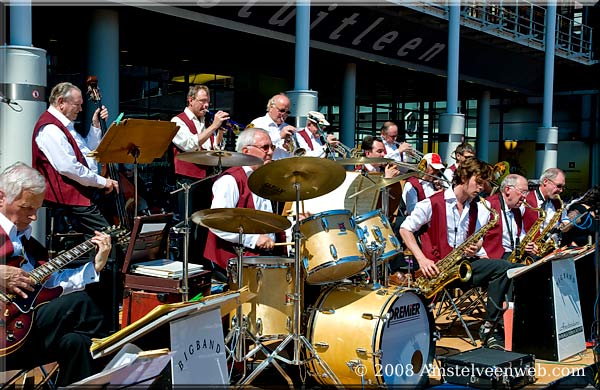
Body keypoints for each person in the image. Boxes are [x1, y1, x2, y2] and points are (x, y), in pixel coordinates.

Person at [0, 162, 112, 386]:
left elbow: (52, 284)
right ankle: (117, 360)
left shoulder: (31, 246)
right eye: (26, 208)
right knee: (82, 304)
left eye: (37, 209)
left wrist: (94, 267)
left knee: (78, 343)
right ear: (1, 198)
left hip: (27, 331)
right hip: (6, 332)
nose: (33, 217)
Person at [399, 157, 523, 350]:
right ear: (464, 177)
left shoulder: (478, 207)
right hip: (436, 270)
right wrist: (422, 259)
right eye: (478, 182)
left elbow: (479, 237)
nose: (481, 188)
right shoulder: (433, 202)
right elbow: (405, 229)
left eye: (484, 184)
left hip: (463, 267)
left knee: (506, 268)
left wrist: (476, 245)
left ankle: (490, 327)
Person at [32, 81, 117, 237]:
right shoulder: (51, 128)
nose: (81, 109)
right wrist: (103, 182)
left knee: (107, 235)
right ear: (61, 102)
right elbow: (69, 168)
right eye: (77, 104)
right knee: (106, 238)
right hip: (69, 198)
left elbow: (87, 155)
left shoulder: (65, 126)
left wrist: (96, 125)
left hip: (80, 194)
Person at [203, 128, 278, 281]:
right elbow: (217, 223)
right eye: (265, 147)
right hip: (232, 262)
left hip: (259, 258)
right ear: (246, 151)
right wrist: (253, 239)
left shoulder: (264, 179)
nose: (270, 152)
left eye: (272, 147)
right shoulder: (229, 180)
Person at [170, 85, 229, 264]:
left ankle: (201, 262)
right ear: (190, 100)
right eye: (202, 101)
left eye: (208, 102)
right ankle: (185, 262)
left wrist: (219, 133)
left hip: (206, 178)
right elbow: (190, 146)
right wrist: (213, 127)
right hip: (187, 179)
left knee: (203, 223)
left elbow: (212, 150)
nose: (206, 106)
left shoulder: (206, 122)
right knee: (187, 223)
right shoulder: (177, 121)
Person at [482, 174, 538, 260]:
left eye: (526, 192)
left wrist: (527, 244)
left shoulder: (517, 209)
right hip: (494, 258)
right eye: (522, 192)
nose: (525, 197)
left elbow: (520, 234)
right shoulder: (488, 205)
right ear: (507, 190)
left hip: (512, 255)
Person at [250, 93, 296, 160]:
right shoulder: (258, 123)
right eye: (282, 110)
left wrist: (289, 148)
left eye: (287, 112)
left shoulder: (287, 127)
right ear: (271, 107)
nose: (284, 114)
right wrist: (279, 136)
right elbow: (255, 147)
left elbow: (295, 153)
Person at [523, 167, 565, 233]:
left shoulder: (558, 202)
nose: (561, 190)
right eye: (558, 186)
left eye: (563, 187)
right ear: (545, 181)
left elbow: (565, 219)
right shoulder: (526, 200)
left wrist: (563, 223)